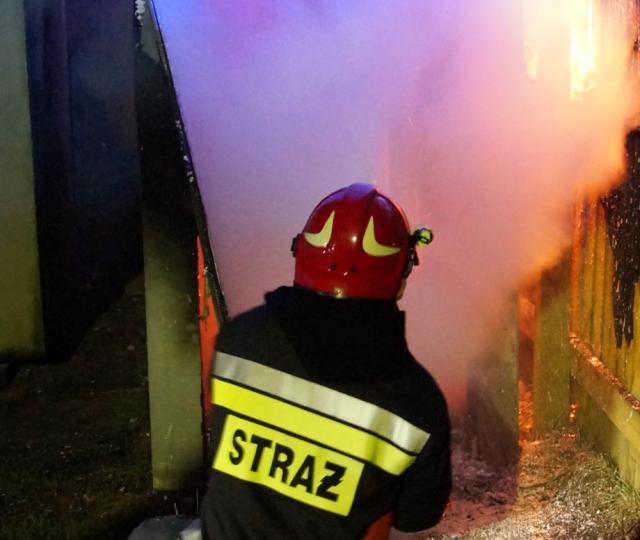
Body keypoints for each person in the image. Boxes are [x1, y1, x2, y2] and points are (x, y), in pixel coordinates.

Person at [201, 183, 451, 539]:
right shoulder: (417, 403)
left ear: (301, 252)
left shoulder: (237, 339)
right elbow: (416, 517)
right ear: (402, 269)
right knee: (385, 500)